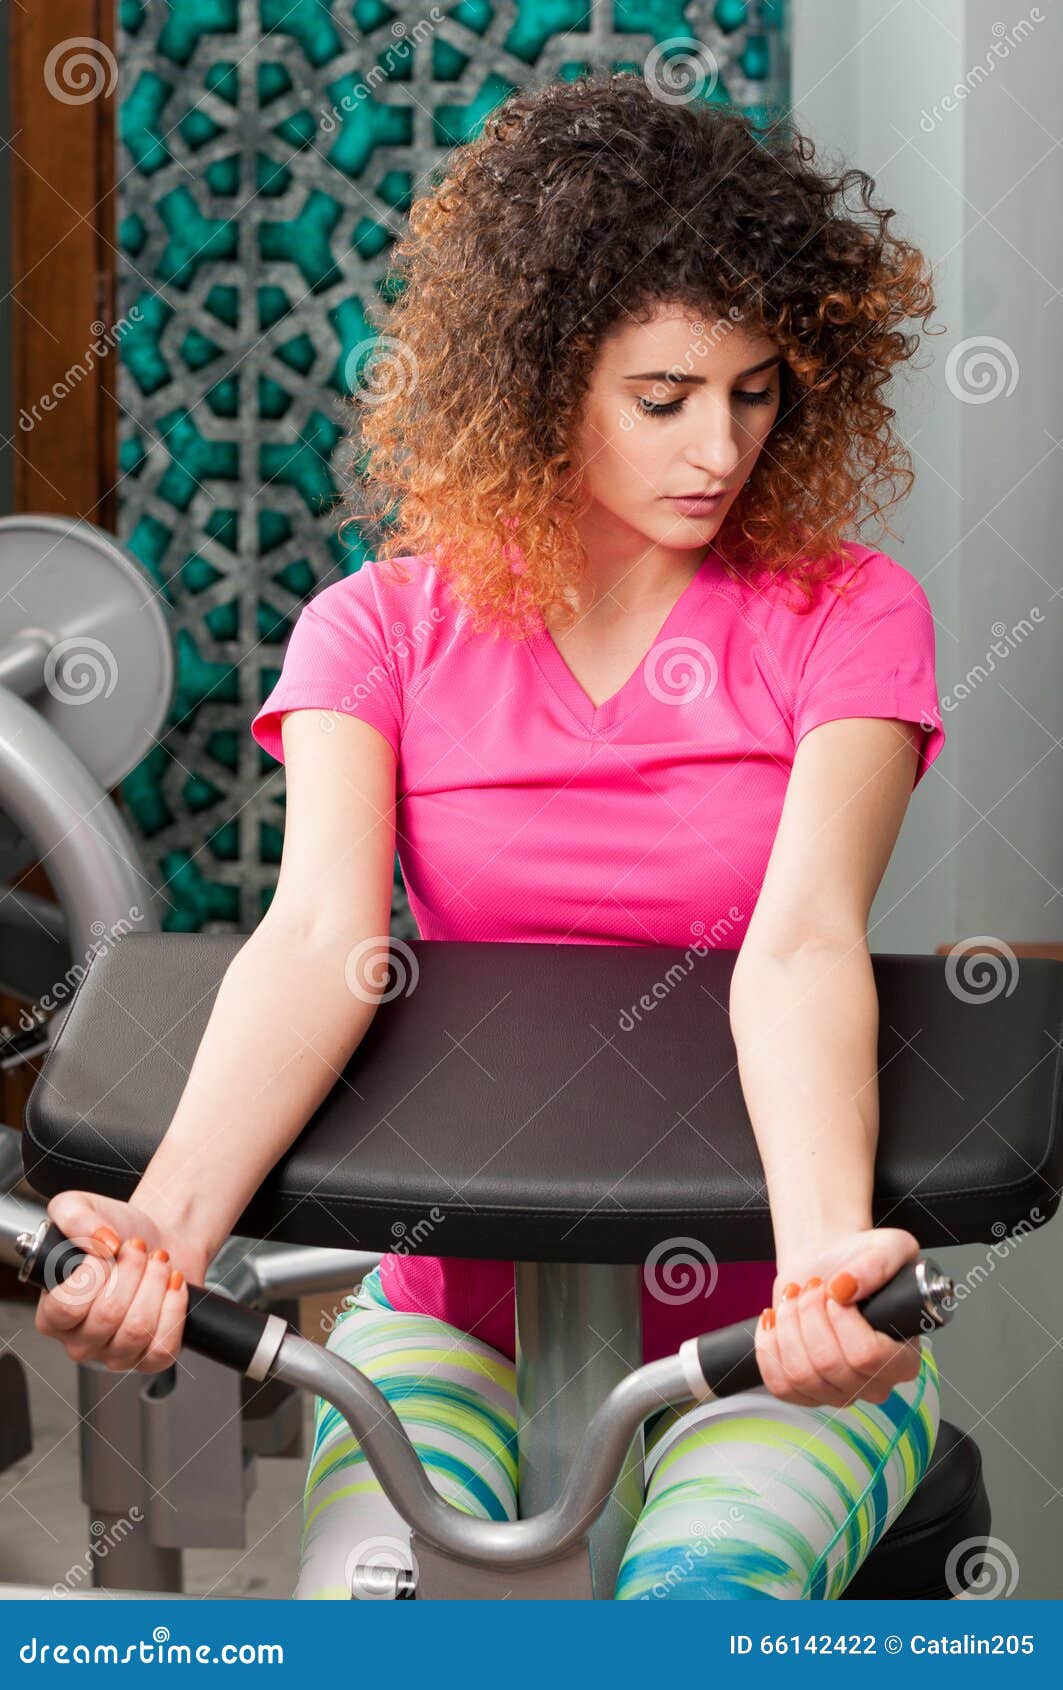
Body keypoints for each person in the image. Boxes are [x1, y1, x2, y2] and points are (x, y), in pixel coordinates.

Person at [34, 73, 946, 1601]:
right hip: (448, 1318)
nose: (720, 447)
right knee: (380, 1635)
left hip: (751, 1322)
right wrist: (161, 1232)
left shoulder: (848, 613)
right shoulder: (378, 629)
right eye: (663, 398)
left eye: (755, 391)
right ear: (542, 379)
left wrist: (816, 1276)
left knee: (689, 1626)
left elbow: (799, 943)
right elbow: (322, 939)